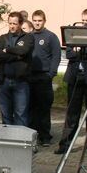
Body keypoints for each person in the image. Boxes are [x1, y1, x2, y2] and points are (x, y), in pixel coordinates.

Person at [55, 8, 87, 156]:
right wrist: (85, 49)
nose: (85, 23)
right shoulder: (73, 31)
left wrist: (82, 48)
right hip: (75, 76)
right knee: (72, 113)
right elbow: (70, 53)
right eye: (83, 20)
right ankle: (65, 144)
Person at [0, 11, 34, 127]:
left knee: (21, 114)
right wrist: (16, 56)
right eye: (10, 23)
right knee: (5, 114)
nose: (12, 26)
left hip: (21, 82)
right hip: (4, 81)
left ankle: (20, 142)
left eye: (14, 23)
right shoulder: (2, 38)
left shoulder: (28, 37)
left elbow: (24, 51)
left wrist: (7, 50)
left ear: (20, 24)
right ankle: (7, 142)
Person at [27, 10, 61, 146]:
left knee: (44, 109)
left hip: (44, 77)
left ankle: (45, 136)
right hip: (29, 77)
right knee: (30, 108)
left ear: (44, 21)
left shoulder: (51, 37)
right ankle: (32, 136)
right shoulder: (28, 36)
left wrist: (50, 74)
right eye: (34, 20)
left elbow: (56, 56)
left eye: (39, 20)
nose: (37, 23)